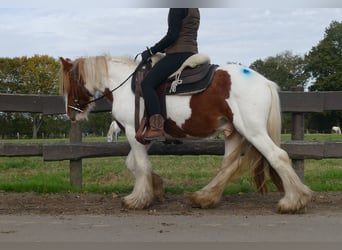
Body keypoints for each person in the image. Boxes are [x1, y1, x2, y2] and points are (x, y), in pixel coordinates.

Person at [140, 8, 200, 141]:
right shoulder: (195, 8)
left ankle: (156, 127)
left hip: (178, 54)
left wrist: (151, 51)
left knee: (147, 84)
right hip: (191, 52)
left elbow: (172, 36)